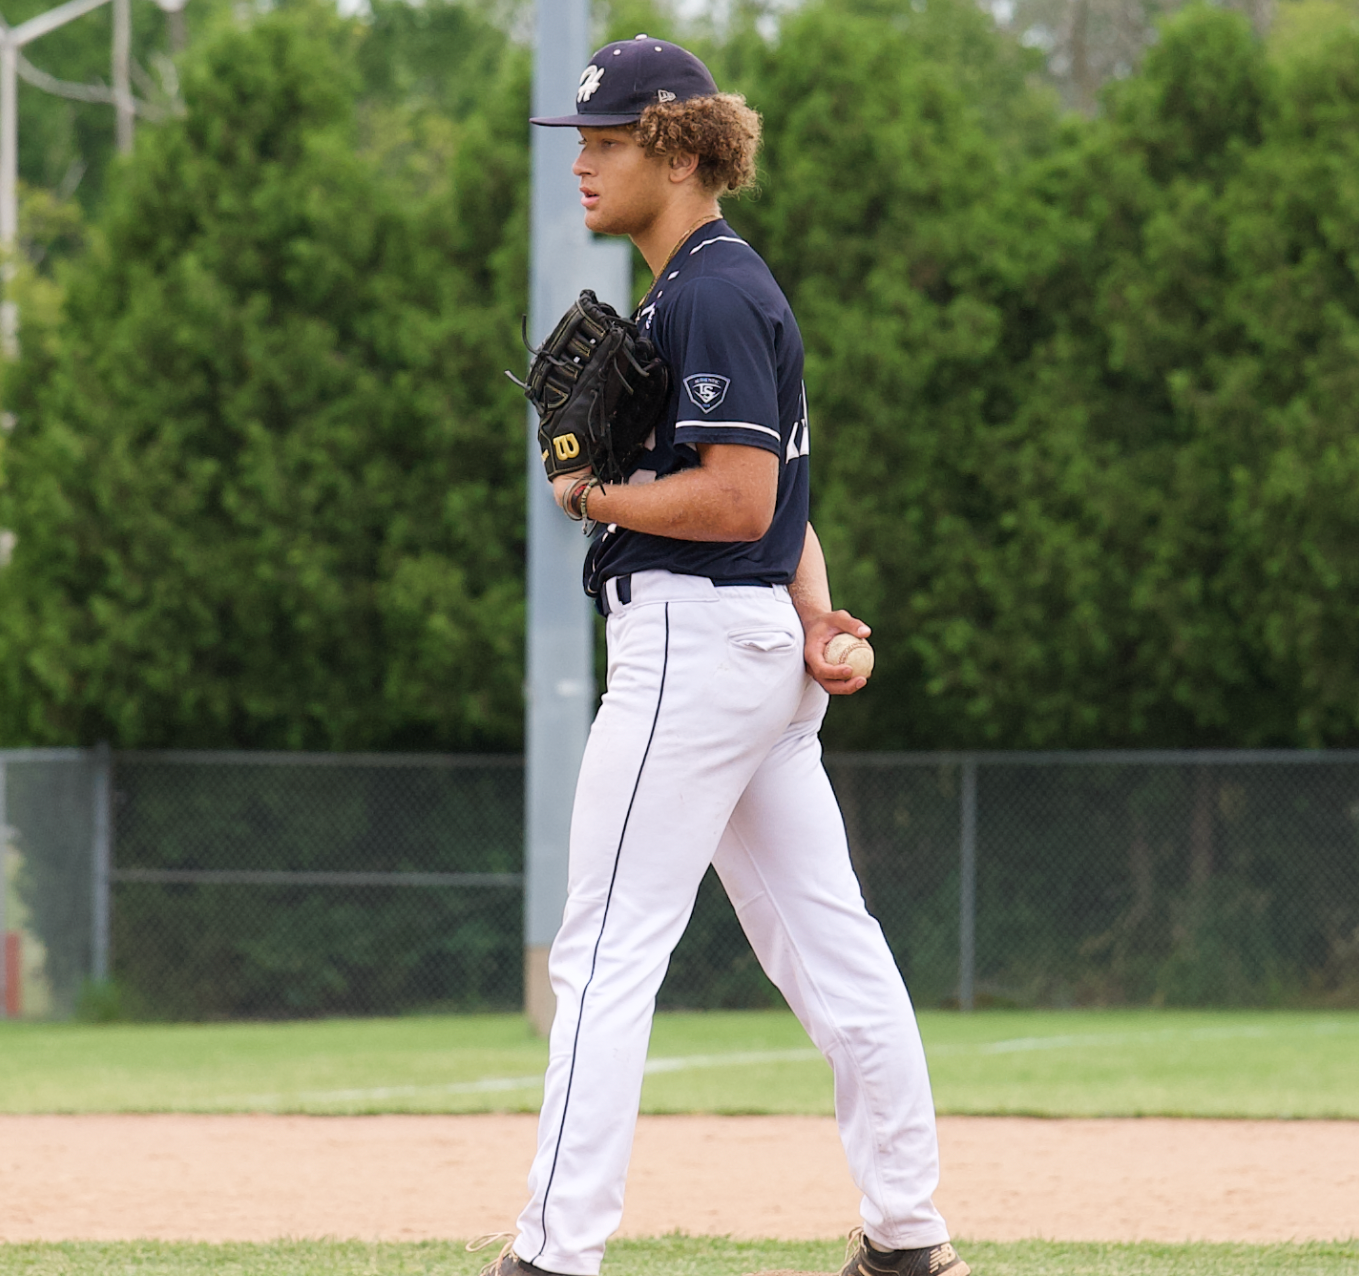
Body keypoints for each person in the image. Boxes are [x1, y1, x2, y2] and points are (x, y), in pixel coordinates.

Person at [484, 36, 966, 1276]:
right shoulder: (707, 288)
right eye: (578, 143)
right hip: (750, 648)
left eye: (604, 141)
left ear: (678, 146)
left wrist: (594, 498)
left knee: (601, 954)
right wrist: (815, 614)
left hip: (692, 649)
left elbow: (743, 499)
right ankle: (908, 1235)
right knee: (830, 944)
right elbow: (786, 505)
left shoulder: (707, 290)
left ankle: (551, 1254)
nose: (581, 166)